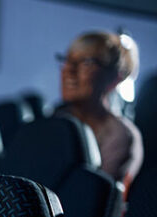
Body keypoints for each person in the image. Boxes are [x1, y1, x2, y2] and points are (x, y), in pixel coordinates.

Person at [55, 30, 143, 186]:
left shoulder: (122, 136)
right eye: (67, 60)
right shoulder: (55, 120)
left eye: (86, 62)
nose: (69, 69)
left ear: (116, 77)